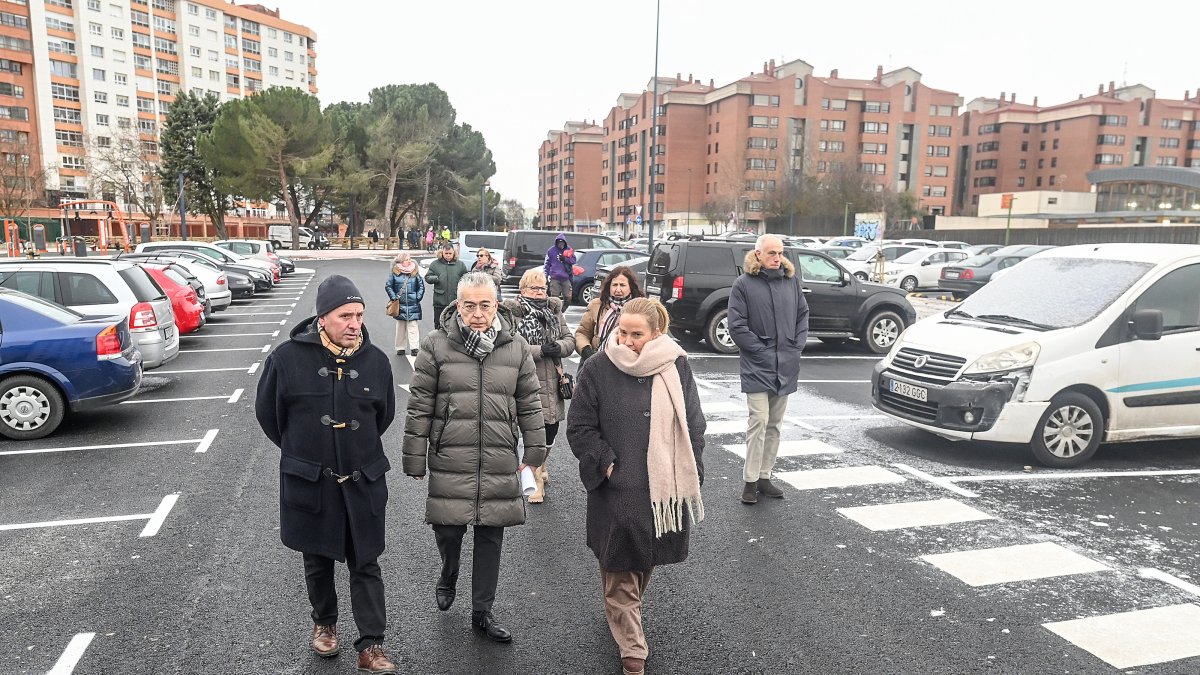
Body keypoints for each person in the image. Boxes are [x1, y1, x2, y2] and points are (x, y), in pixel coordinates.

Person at [254, 275, 399, 674]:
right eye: (344, 315)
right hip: (311, 480)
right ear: (322, 318)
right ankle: (325, 625)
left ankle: (371, 645)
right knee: (317, 559)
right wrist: (304, 451)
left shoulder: (376, 361)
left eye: (359, 315)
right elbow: (269, 416)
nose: (355, 324)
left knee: (366, 562)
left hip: (362, 480)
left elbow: (382, 416)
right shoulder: (285, 359)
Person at [403, 272, 547, 644]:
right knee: (448, 529)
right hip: (452, 451)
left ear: (496, 305)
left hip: (499, 454)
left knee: (490, 536)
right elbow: (419, 406)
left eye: (485, 305)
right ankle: (449, 571)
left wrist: (534, 453)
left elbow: (530, 404)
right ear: (458, 305)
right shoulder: (436, 345)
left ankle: (482, 611)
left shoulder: (515, 347)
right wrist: (414, 458)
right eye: (470, 305)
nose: (478, 314)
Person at [567, 298, 705, 675]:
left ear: (655, 332)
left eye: (636, 334)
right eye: (621, 331)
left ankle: (620, 611)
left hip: (663, 486)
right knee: (620, 565)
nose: (626, 340)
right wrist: (607, 464)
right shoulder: (597, 367)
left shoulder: (676, 364)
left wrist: (692, 465)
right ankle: (632, 647)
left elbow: (693, 421)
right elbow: (579, 426)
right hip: (618, 487)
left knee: (641, 561)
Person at [727, 234, 809, 505]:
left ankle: (764, 476)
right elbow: (737, 325)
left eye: (780, 252)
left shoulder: (791, 282)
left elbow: (802, 315)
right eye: (772, 253)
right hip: (757, 365)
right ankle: (750, 481)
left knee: (774, 425)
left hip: (785, 364)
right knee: (758, 421)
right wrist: (761, 351)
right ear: (758, 254)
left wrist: (796, 346)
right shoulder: (743, 284)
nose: (777, 257)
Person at [502, 269, 575, 504]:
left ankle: (541, 463)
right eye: (533, 287)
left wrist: (559, 348)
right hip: (524, 378)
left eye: (542, 287)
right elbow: (508, 343)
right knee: (530, 429)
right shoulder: (512, 312)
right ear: (522, 289)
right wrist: (539, 350)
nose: (539, 292)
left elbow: (569, 339)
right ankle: (535, 479)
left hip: (552, 379)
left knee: (551, 430)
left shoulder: (554, 310)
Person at [575, 265, 643, 363]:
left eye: (622, 285)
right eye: (615, 285)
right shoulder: (596, 305)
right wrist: (586, 350)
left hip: (624, 364)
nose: (618, 289)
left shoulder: (639, 308)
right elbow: (582, 332)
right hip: (594, 362)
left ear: (631, 287)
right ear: (609, 286)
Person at [386, 252, 425, 356]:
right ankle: (400, 347)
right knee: (400, 327)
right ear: (401, 261)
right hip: (400, 304)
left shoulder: (415, 272)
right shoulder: (395, 273)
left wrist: (418, 297)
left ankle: (414, 348)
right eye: (407, 259)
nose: (409, 261)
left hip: (413, 303)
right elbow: (388, 286)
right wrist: (394, 297)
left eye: (410, 259)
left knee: (413, 326)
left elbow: (421, 285)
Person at [424, 243, 468, 331]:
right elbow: (427, 277)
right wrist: (436, 278)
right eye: (446, 253)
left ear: (454, 253)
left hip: (455, 300)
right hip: (440, 300)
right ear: (442, 253)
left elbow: (466, 278)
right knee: (438, 323)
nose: (448, 256)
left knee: (455, 323)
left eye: (450, 254)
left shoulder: (460, 265)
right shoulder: (435, 264)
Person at [543, 233, 577, 305]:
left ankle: (561, 311)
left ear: (564, 242)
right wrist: (546, 276)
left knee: (568, 298)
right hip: (554, 278)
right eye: (559, 242)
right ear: (556, 242)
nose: (560, 244)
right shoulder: (551, 251)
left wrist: (565, 259)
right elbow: (547, 264)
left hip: (566, 278)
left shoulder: (569, 249)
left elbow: (574, 261)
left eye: (562, 242)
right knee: (554, 299)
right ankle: (554, 313)